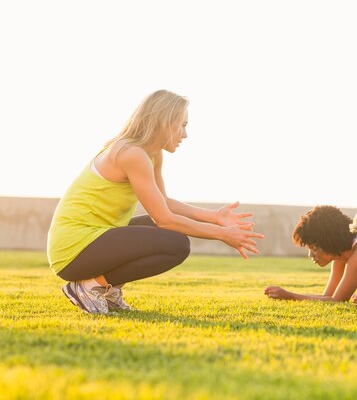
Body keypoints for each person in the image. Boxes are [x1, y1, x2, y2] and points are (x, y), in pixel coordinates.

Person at [47, 90, 264, 314]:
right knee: (176, 244)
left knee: (166, 236)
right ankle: (89, 287)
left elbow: (164, 203)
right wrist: (221, 234)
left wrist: (214, 217)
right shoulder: (130, 153)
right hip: (73, 249)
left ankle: (107, 291)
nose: (185, 134)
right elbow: (164, 220)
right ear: (163, 122)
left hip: (95, 239)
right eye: (182, 125)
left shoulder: (151, 154)